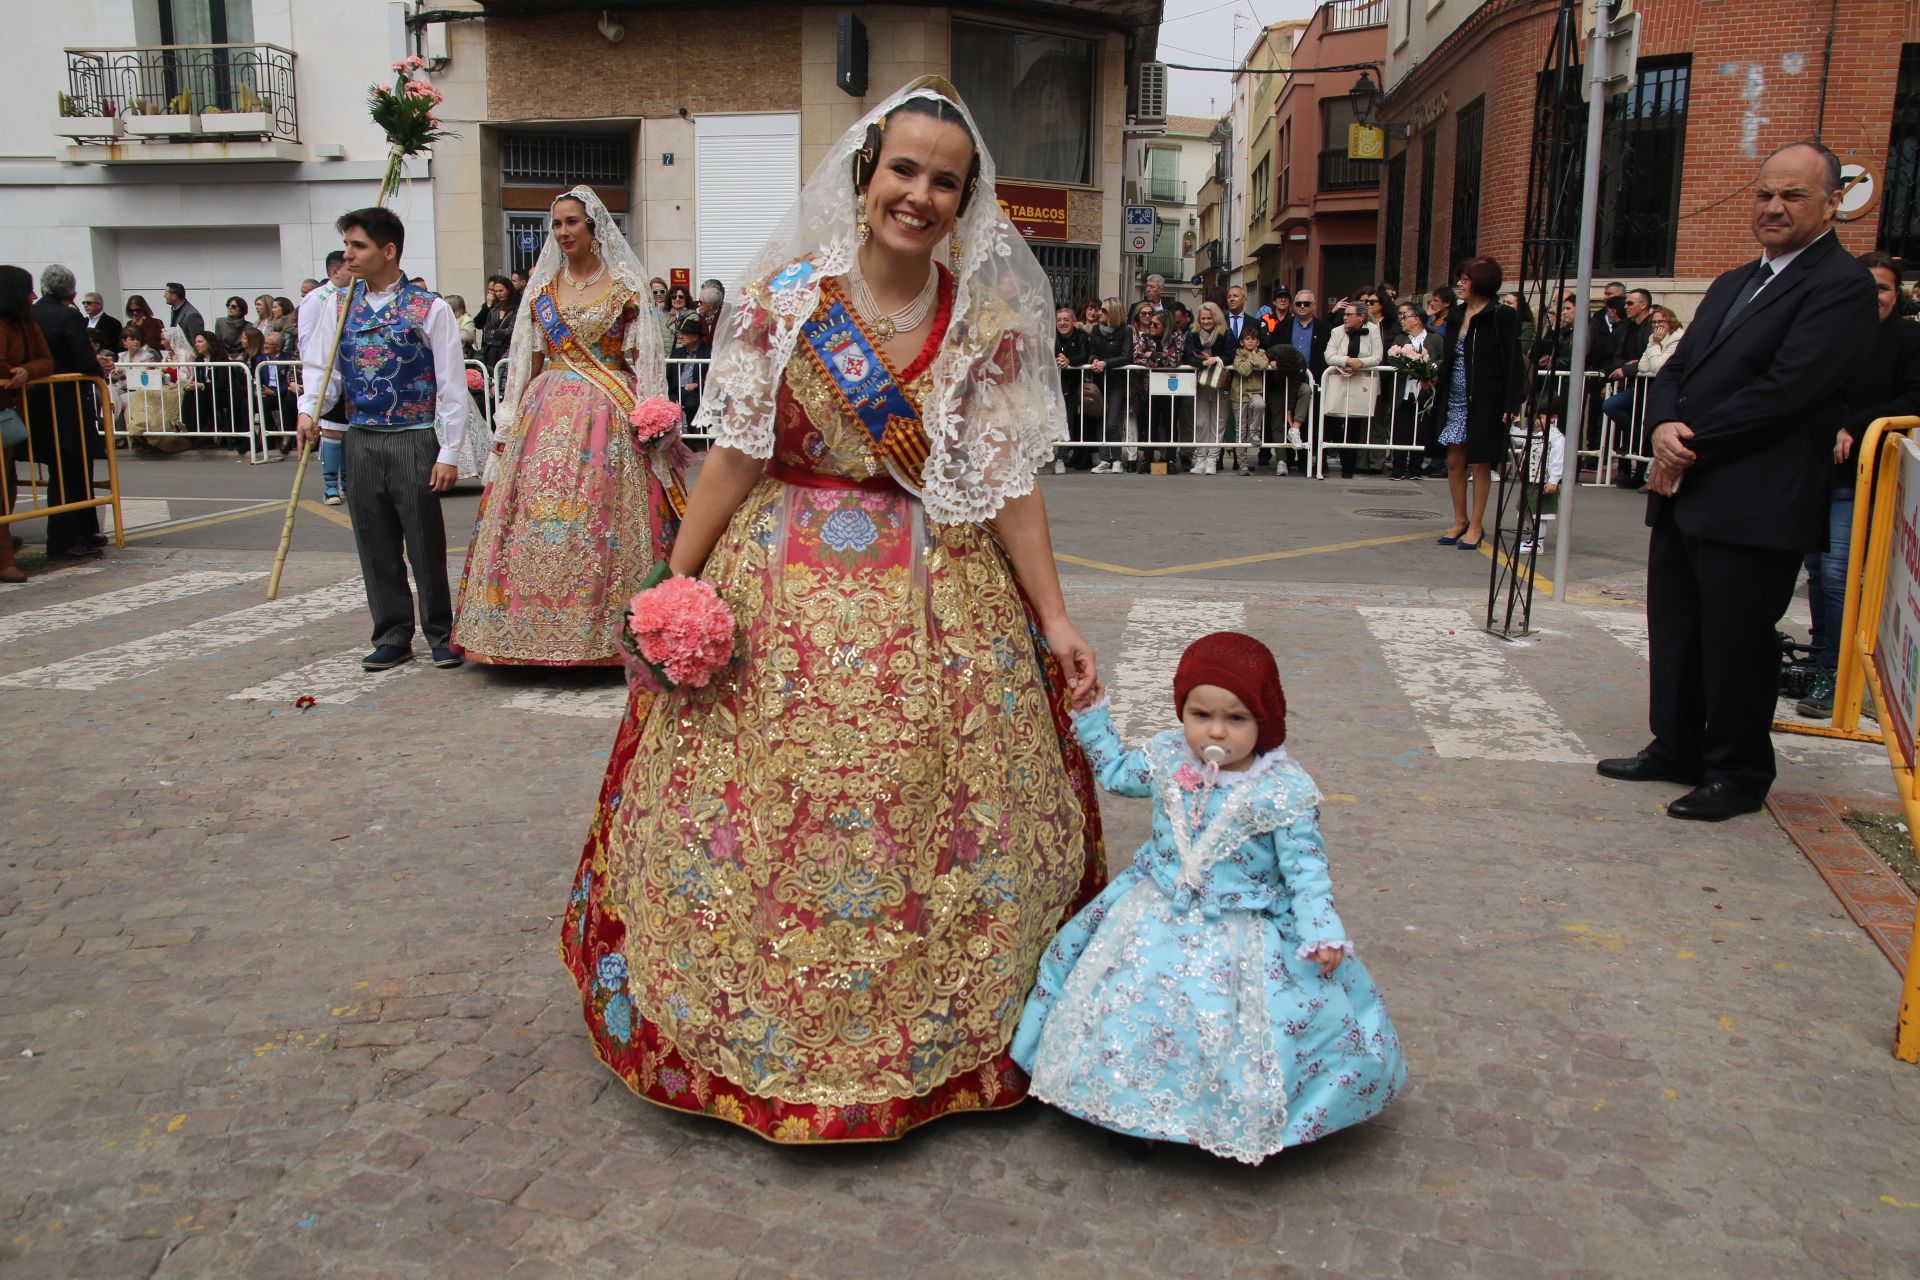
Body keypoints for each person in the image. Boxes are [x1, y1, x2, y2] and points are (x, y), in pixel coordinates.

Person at [560, 76, 1106, 1144]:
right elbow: (736, 455)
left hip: (941, 595)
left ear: (965, 200)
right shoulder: (789, 300)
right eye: (905, 169)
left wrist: (1055, 618)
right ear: (867, 176)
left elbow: (1007, 483)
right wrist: (676, 579)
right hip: (781, 595)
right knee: (767, 815)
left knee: (941, 807)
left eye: (945, 181)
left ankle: (942, 1039)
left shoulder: (983, 319)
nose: (920, 195)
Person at [1010, 631, 1406, 1162]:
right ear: (1183, 712)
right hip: (1152, 911)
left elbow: (1305, 871)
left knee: (1227, 1024)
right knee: (1133, 1010)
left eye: (1236, 719)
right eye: (1200, 714)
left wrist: (1319, 929)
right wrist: (1092, 715)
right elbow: (1117, 774)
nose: (1215, 731)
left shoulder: (1283, 790)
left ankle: (1224, 1115)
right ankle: (1133, 1113)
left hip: (1243, 926)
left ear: (1265, 719)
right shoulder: (1167, 758)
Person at [1599, 141, 1879, 821]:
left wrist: (1686, 446)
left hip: (1757, 499)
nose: (1774, 208)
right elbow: (1674, 369)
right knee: (1677, 628)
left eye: (1793, 196)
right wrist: (1663, 424)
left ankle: (1738, 771)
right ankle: (1678, 745)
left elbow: (1787, 392)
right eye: (1764, 194)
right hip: (1688, 491)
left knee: (1737, 642)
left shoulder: (1840, 286)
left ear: (1832, 202)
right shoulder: (1731, 283)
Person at [453, 186, 686, 669]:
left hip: (609, 413)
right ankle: (524, 632)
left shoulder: (625, 286)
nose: (563, 231)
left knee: (602, 512)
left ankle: (612, 631)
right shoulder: (542, 290)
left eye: (572, 222)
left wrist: (652, 413)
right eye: (556, 223)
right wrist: (509, 419)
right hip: (546, 409)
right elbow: (527, 361)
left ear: (594, 227)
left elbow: (643, 359)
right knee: (538, 511)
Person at [295, 206, 468, 673]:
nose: (348, 255)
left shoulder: (428, 307)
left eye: (358, 246)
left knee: (424, 539)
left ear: (387, 251)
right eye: (347, 245)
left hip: (413, 438)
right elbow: (323, 369)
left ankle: (440, 632)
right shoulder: (338, 305)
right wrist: (309, 411)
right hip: (361, 437)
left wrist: (448, 451)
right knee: (373, 541)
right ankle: (391, 634)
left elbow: (451, 385)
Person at [1797, 251, 1920, 718]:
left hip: (1860, 478)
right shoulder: (1833, 334)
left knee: (1837, 576)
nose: (1873, 297)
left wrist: (1857, 426)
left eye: (1883, 288)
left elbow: (1913, 397)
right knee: (1815, 573)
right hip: (1814, 473)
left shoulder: (1909, 339)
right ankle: (1821, 658)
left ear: (1898, 294)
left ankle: (1835, 670)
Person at [1434, 257, 1524, 550]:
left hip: (1487, 397)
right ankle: (1459, 520)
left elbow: (1514, 362)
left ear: (1482, 281)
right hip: (1455, 395)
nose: (1460, 283)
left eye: (1466, 278)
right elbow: (1450, 356)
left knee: (1481, 461)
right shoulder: (1456, 315)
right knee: (1454, 460)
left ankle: (1476, 524)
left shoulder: (1501, 315)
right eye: (1460, 277)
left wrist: (1512, 401)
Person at [28, 265, 106, 559]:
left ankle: (84, 529)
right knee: (72, 468)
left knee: (66, 468)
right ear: (72, 291)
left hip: (36, 403)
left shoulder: (33, 314)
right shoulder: (69, 316)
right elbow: (83, 360)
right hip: (65, 403)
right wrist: (100, 369)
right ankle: (64, 539)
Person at [0, 265, 53, 581]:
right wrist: (17, 372)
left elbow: (47, 360)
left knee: (6, 484)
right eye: (28, 289)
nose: (33, 295)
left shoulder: (26, 324)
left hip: (6, 413)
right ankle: (5, 558)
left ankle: (5, 553)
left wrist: (26, 371)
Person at [297, 251, 354, 504]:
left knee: (349, 431)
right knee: (332, 429)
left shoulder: (356, 296)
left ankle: (346, 482)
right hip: (329, 369)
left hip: (351, 372)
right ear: (336, 271)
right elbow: (308, 340)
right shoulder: (318, 298)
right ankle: (330, 485)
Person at [1321, 300, 1382, 480]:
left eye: (1349, 314)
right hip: (1340, 381)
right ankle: (1335, 457)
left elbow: (1377, 356)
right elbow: (1329, 355)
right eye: (1344, 314)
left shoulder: (1373, 330)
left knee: (1355, 425)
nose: (1345, 317)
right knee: (1332, 420)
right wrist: (1346, 361)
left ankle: (1348, 469)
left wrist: (1360, 363)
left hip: (1361, 382)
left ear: (1361, 316)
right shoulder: (1337, 331)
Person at [1387, 300, 1437, 481]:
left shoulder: (1434, 339)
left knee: (1421, 430)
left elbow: (1441, 360)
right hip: (1404, 391)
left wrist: (1428, 369)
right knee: (1401, 430)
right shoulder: (1400, 339)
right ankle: (1398, 468)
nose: (1402, 320)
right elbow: (1392, 359)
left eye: (1405, 316)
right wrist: (1407, 363)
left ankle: (1416, 468)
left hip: (1424, 391)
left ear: (1416, 320)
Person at [1086, 297, 1135, 473]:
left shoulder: (1126, 331)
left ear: (1113, 312)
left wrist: (1106, 362)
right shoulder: (1095, 330)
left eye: (1104, 310)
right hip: (1099, 381)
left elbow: (1126, 356)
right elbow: (1090, 352)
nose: (1099, 312)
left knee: (1112, 422)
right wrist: (1094, 361)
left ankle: (1116, 459)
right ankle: (1104, 458)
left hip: (1117, 382)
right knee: (1100, 419)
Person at [1184, 300, 1230, 473]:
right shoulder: (1193, 333)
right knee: (1201, 422)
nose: (1206, 321)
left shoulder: (1225, 333)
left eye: (1209, 318)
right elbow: (1188, 355)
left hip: (1220, 383)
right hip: (1201, 383)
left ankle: (1212, 459)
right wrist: (1204, 362)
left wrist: (1216, 359)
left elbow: (1230, 354)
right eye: (1203, 318)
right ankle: (1201, 458)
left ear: (1215, 317)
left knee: (1218, 422)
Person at [1053, 304, 1090, 473]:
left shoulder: (1081, 336)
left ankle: (1061, 457)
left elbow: (1084, 355)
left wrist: (1069, 361)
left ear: (1074, 321)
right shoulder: (1051, 336)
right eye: (1059, 320)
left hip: (1072, 386)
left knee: (1067, 421)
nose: (1062, 323)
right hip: (1051, 386)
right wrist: (1056, 359)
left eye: (1066, 320)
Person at [1228, 328, 1270, 476]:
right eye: (1247, 339)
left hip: (1255, 392)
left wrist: (1252, 357)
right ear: (1241, 342)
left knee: (1260, 405)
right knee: (1240, 430)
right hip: (1238, 394)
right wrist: (1253, 360)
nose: (1250, 341)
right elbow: (1243, 370)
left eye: (1253, 339)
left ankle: (1255, 432)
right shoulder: (1238, 354)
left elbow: (1264, 365)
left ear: (1258, 342)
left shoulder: (1262, 352)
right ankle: (1242, 464)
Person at [669, 312, 710, 429]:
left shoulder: (707, 353)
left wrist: (697, 384)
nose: (681, 336)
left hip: (696, 392)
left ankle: (691, 440)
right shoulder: (677, 352)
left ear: (696, 337)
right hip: (676, 391)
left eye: (685, 334)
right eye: (680, 333)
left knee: (692, 404)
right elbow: (668, 375)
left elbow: (712, 378)